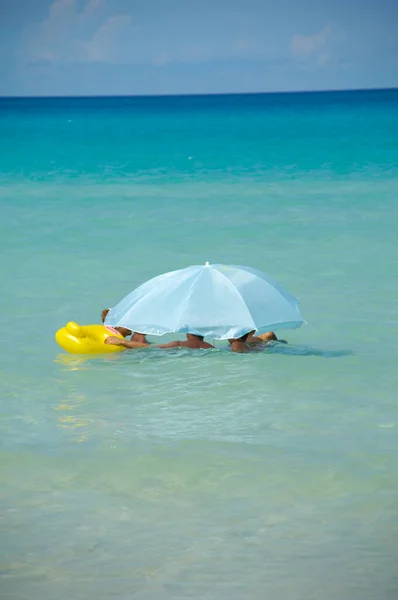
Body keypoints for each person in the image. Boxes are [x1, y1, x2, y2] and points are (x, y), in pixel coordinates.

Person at [105, 332, 214, 350]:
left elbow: (149, 348)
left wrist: (123, 342)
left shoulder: (178, 344)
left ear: (187, 333)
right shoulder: (210, 347)